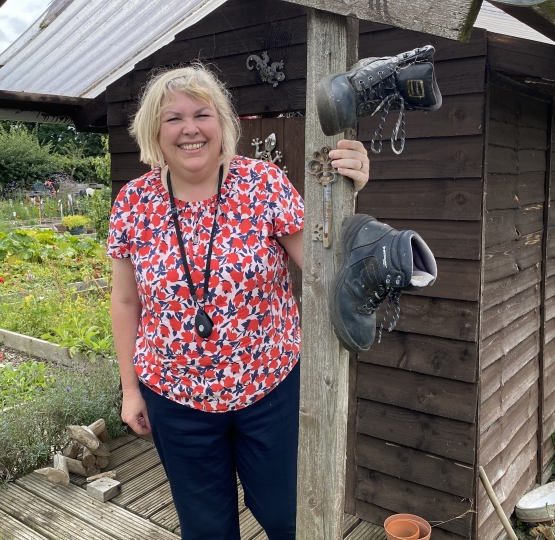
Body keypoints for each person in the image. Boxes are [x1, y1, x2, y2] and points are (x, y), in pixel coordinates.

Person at [107, 64, 370, 540]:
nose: (190, 128)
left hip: (268, 387)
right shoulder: (133, 202)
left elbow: (323, 266)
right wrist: (130, 389)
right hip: (175, 396)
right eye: (173, 118)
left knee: (287, 516)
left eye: (202, 114)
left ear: (222, 123)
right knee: (206, 529)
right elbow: (126, 302)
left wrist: (347, 193)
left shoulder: (262, 184)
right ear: (154, 132)